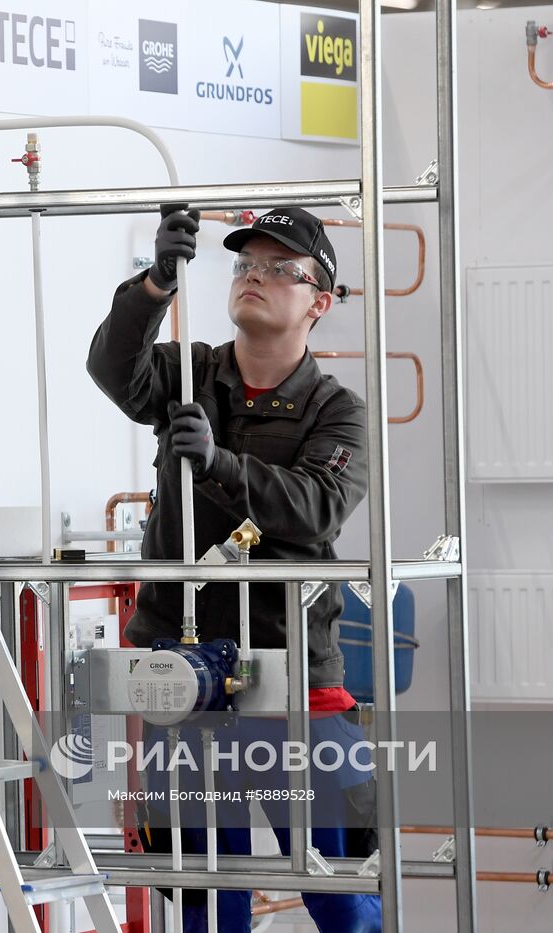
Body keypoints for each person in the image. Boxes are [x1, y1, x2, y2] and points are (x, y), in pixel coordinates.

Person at [86, 205, 380, 932]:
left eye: (281, 269)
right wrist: (154, 285)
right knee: (203, 897)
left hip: (294, 686)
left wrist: (219, 465)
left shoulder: (336, 411)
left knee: (338, 894)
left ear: (319, 302)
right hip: (181, 672)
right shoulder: (189, 372)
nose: (255, 276)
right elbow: (110, 367)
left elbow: (315, 507)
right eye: (246, 264)